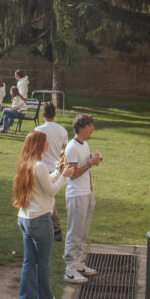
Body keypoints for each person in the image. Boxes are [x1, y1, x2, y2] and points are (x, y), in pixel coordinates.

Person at [13, 130, 67, 299]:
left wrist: (58, 172)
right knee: (43, 262)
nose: (48, 145)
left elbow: (45, 183)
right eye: (45, 142)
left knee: (29, 261)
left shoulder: (25, 164)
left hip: (24, 218)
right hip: (40, 219)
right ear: (39, 145)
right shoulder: (40, 166)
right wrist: (65, 176)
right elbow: (51, 191)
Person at [63, 114, 102, 284]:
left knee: (83, 233)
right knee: (75, 233)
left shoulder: (85, 145)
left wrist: (91, 191)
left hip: (86, 194)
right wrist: (90, 163)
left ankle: (79, 264)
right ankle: (70, 270)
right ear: (81, 128)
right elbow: (73, 174)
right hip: (76, 195)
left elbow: (86, 170)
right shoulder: (72, 147)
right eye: (89, 126)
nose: (92, 128)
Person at [35, 102, 69, 242]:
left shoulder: (38, 129)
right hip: (56, 167)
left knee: (49, 198)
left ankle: (55, 228)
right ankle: (52, 228)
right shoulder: (62, 131)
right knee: (47, 198)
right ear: (54, 114)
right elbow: (64, 151)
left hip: (43, 167)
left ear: (43, 115)